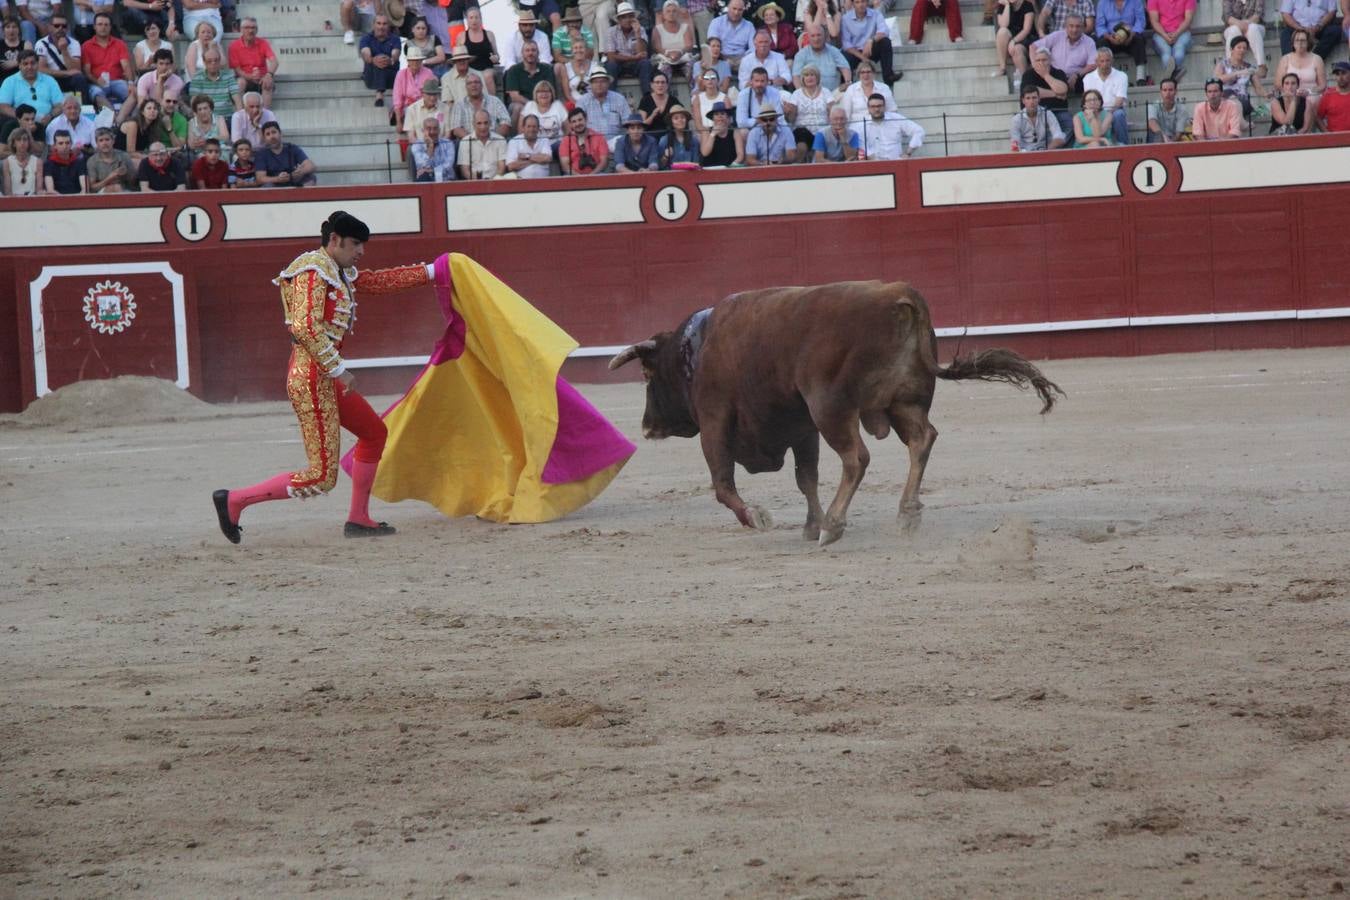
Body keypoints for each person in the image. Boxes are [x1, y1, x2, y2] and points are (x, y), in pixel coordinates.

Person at [212, 211, 435, 544]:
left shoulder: (336, 271)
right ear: (335, 240)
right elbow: (303, 327)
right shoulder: (313, 272)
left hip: (324, 376)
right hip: (313, 378)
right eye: (356, 244)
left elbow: (375, 281)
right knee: (320, 476)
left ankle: (359, 518)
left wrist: (432, 271)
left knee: (374, 433)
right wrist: (338, 369)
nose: (361, 251)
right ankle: (234, 500)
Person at [81, 12, 132, 115]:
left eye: (106, 25)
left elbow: (126, 66)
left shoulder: (120, 44)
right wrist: (96, 81)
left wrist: (130, 83)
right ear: (94, 27)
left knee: (133, 93)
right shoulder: (86, 46)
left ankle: (133, 121)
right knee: (97, 95)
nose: (103, 27)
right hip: (97, 82)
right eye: (100, 24)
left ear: (110, 27)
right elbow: (87, 72)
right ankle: (113, 119)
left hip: (117, 81)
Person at [1032, 13, 1095, 91]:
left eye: (1078, 26)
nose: (1074, 30)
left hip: (1077, 77)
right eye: (1071, 26)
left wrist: (1077, 75)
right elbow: (1033, 46)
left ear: (1083, 28)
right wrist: (1036, 67)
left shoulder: (1089, 42)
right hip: (1055, 75)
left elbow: (1092, 64)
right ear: (1065, 26)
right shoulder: (1057, 36)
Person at [33, 13, 87, 101]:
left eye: (64, 26)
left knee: (80, 78)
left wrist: (64, 50)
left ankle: (83, 107)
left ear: (67, 28)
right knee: (42, 79)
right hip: (51, 79)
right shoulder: (41, 43)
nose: (60, 28)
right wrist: (66, 73)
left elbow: (76, 69)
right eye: (56, 26)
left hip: (69, 80)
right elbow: (41, 69)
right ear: (50, 27)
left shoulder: (74, 43)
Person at [841, 0, 897, 84]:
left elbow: (884, 31)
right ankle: (847, 84)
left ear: (867, 3)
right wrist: (862, 57)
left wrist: (871, 40)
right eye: (857, 2)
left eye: (863, 1)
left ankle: (888, 76)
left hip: (871, 49)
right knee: (844, 55)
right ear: (853, 4)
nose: (861, 5)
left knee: (885, 42)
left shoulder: (876, 14)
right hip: (855, 53)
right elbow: (846, 44)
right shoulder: (846, 18)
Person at [1095, 0, 1148, 86]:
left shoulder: (1136, 1)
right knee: (1101, 42)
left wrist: (1131, 35)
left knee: (1139, 39)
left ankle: (1141, 78)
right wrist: (1109, 37)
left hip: (1130, 36)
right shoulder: (1103, 3)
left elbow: (1140, 21)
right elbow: (1100, 26)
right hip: (1111, 38)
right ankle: (1107, 76)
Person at [0, 50, 61, 126]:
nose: (30, 67)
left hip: (47, 123)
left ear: (37, 64)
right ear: (19, 65)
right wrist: (22, 117)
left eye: (33, 63)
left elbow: (60, 105)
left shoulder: (50, 80)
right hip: (20, 125)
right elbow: (3, 107)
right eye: (25, 64)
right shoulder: (10, 81)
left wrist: (50, 116)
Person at [228, 17, 277, 108]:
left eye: (253, 28)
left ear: (257, 30)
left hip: (261, 78)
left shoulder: (263, 43)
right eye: (247, 28)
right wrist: (250, 77)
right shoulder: (234, 46)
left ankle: (265, 116)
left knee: (268, 82)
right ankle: (241, 114)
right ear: (241, 30)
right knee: (239, 83)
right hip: (244, 78)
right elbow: (237, 70)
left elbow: (274, 61)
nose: (250, 30)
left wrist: (269, 75)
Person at [1082, 46, 1128, 143]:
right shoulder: (1088, 78)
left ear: (1112, 61)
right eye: (1102, 61)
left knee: (1119, 115)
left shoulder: (1122, 76)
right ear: (1096, 62)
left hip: (1114, 110)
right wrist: (1098, 114)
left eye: (1107, 61)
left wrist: (1107, 116)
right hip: (1095, 110)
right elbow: (1089, 101)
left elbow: (1119, 101)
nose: (1105, 64)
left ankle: (1124, 146)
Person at [503, 36, 554, 123]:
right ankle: (517, 136)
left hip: (543, 102)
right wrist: (532, 105)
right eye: (527, 50)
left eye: (533, 50)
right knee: (518, 108)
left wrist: (540, 104)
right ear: (522, 53)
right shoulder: (513, 70)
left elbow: (550, 91)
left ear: (538, 53)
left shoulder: (546, 69)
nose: (530, 53)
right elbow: (514, 96)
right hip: (521, 103)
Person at [603, 1, 651, 93]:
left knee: (645, 63)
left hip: (635, 64)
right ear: (619, 20)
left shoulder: (640, 29)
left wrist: (637, 33)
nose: (628, 19)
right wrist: (633, 57)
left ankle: (647, 97)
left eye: (630, 16)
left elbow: (643, 53)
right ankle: (610, 96)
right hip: (619, 64)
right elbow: (611, 56)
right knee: (610, 65)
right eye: (624, 17)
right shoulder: (611, 31)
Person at [784, 62, 830, 158]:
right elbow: (791, 120)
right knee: (802, 142)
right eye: (806, 75)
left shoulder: (826, 92)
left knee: (825, 136)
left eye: (812, 75)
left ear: (817, 77)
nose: (809, 78)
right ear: (803, 78)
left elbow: (832, 111)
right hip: (802, 131)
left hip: (822, 131)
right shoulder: (797, 94)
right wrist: (788, 112)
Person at [1215, 34, 1267, 117]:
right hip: (1224, 98)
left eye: (1244, 48)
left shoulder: (1249, 68)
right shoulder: (1222, 64)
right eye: (1239, 47)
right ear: (1231, 49)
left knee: (1235, 103)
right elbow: (1218, 80)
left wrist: (1266, 94)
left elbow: (1259, 88)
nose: (1242, 50)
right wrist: (1237, 73)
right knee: (1231, 100)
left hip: (1242, 100)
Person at [448, 70, 511, 137]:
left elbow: (506, 122)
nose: (473, 85)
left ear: (482, 85)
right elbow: (456, 129)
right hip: (469, 143)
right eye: (470, 83)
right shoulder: (459, 105)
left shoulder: (495, 101)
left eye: (476, 82)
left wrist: (494, 138)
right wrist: (473, 141)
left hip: (494, 141)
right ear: (466, 87)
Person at [860, 92, 923, 158]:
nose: (876, 109)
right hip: (874, 165)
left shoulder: (896, 119)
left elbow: (919, 131)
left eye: (879, 106)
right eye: (873, 106)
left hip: (897, 163)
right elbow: (860, 145)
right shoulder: (862, 125)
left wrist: (908, 153)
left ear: (884, 106)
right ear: (868, 108)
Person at [255, 120, 317, 186]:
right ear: (264, 139)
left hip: (292, 181)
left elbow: (311, 165)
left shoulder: (292, 148)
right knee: (267, 185)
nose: (272, 136)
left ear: (280, 133)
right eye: (268, 134)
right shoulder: (261, 154)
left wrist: (300, 172)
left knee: (311, 177)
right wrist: (278, 179)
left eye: (274, 132)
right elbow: (260, 179)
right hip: (274, 185)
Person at [1273, 27, 1324, 108]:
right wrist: (1293, 92)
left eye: (1303, 40)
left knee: (1311, 101)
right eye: (1297, 40)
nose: (1300, 43)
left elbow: (1322, 85)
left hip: (1311, 95)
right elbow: (1278, 84)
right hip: (1290, 95)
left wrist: (1308, 91)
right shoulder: (1285, 59)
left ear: (1308, 42)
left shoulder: (1317, 59)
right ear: (1293, 43)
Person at [576, 65, 631, 137]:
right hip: (591, 142)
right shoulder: (582, 101)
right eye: (595, 82)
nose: (599, 84)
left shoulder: (619, 99)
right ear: (590, 85)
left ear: (608, 83)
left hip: (615, 141)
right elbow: (578, 126)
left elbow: (628, 123)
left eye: (602, 81)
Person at [1147, 0, 1195, 81]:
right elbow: (1154, 21)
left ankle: (1169, 80)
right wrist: (1164, 35)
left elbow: (1188, 19)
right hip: (1161, 33)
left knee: (1178, 52)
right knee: (1166, 52)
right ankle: (1175, 76)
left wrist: (1176, 33)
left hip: (1182, 32)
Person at [992, 0, 1039, 85]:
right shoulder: (1002, 6)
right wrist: (1006, 5)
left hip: (1026, 38)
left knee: (1017, 49)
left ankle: (1025, 80)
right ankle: (1002, 68)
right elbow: (1003, 25)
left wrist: (1013, 41)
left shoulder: (1027, 5)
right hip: (1011, 37)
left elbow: (1026, 30)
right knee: (1002, 32)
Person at [360, 14, 400, 110]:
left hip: (390, 76)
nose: (381, 27)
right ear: (373, 25)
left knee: (382, 61)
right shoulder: (366, 38)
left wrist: (390, 60)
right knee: (377, 61)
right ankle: (379, 93)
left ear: (388, 26)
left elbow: (396, 54)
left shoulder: (395, 39)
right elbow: (365, 54)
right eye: (378, 23)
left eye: (384, 24)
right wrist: (373, 60)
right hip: (372, 75)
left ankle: (379, 94)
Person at [1010, 80, 1066, 148]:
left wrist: (1047, 150)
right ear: (1023, 101)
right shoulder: (1016, 119)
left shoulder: (1047, 113)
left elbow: (1059, 137)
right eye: (1028, 98)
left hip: (1046, 151)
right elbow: (1015, 142)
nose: (1032, 101)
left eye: (1034, 98)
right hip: (1025, 153)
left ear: (1039, 99)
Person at [392, 43, 436, 131]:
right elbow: (397, 100)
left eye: (418, 60)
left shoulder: (428, 73)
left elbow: (432, 93)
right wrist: (398, 122)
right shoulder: (401, 74)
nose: (415, 62)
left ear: (421, 61)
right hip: (408, 108)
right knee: (409, 111)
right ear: (408, 61)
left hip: (425, 106)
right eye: (412, 60)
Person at [793, 23, 850, 90]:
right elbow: (796, 76)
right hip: (809, 94)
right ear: (808, 38)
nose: (816, 39)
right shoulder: (801, 54)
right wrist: (802, 93)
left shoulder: (834, 52)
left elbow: (845, 68)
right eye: (813, 36)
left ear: (825, 36)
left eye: (819, 35)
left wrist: (847, 83)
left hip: (833, 94)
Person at [651, 0, 695, 83]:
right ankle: (665, 93)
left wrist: (680, 52)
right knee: (664, 69)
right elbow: (657, 47)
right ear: (663, 14)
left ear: (678, 13)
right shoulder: (657, 29)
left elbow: (689, 45)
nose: (671, 14)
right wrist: (669, 54)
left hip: (682, 58)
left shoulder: (685, 27)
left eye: (674, 11)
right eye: (668, 11)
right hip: (665, 58)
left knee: (691, 67)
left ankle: (693, 93)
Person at [457, 107, 507, 178]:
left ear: (490, 123)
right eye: (479, 123)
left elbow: (501, 168)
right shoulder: (465, 142)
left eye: (486, 123)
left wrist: (493, 183)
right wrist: (479, 183)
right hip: (474, 184)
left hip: (496, 183)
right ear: (473, 124)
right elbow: (465, 171)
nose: (483, 127)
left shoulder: (500, 140)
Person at [460, 6, 499, 96]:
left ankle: (492, 105)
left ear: (481, 19)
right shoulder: (461, 36)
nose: (474, 20)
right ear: (467, 20)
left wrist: (495, 58)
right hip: (470, 69)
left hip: (487, 68)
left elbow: (497, 55)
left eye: (476, 17)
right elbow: (459, 57)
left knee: (487, 76)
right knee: (470, 78)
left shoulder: (489, 34)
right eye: (471, 18)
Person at [559, 105, 610, 173]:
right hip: (574, 177)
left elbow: (604, 162)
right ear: (570, 124)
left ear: (586, 119)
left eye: (580, 120)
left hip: (596, 175)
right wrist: (580, 178)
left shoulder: (599, 137)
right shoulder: (566, 140)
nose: (578, 124)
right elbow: (565, 166)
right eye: (574, 121)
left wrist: (590, 176)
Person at [189, 43, 238, 113]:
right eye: (209, 61)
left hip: (227, 117)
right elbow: (194, 102)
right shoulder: (197, 77)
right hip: (207, 119)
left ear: (219, 60)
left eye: (216, 60)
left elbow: (237, 99)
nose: (213, 63)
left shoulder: (228, 76)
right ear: (204, 62)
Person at [84, 124, 134, 191]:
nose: (104, 143)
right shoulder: (92, 161)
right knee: (115, 188)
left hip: (124, 191)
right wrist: (110, 178)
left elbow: (133, 182)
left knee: (117, 187)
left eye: (107, 139)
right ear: (97, 143)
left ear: (113, 141)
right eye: (101, 140)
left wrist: (126, 174)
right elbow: (92, 187)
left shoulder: (124, 156)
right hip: (102, 194)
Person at [117, 95, 165, 161]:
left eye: (155, 108)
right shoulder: (133, 124)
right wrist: (149, 157)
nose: (152, 111)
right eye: (149, 108)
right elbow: (130, 152)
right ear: (142, 112)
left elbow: (153, 149)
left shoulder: (153, 127)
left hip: (136, 156)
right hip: (121, 157)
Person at [708, 0, 755, 65]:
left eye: (740, 10)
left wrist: (744, 59)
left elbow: (754, 48)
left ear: (743, 10)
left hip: (743, 58)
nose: (736, 12)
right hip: (721, 58)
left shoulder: (749, 26)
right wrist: (723, 59)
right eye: (734, 8)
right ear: (728, 8)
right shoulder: (716, 22)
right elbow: (712, 45)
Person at [1223, 0, 1266, 70]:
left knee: (1253, 28)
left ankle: (1261, 66)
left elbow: (1258, 15)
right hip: (1233, 26)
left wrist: (1246, 24)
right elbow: (1227, 17)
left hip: (1255, 26)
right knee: (1234, 29)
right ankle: (1230, 66)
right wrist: (1240, 25)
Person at [506, 111, 552, 177]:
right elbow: (511, 166)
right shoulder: (514, 141)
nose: (531, 129)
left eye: (534, 126)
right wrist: (537, 160)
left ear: (538, 128)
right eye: (529, 126)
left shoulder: (544, 140)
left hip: (543, 182)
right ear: (523, 128)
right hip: (521, 183)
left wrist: (527, 157)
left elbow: (547, 158)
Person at [410, 114, 456, 179]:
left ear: (439, 130)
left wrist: (433, 171)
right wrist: (430, 147)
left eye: (435, 129)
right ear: (423, 131)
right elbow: (423, 166)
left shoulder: (448, 143)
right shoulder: (417, 145)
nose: (432, 132)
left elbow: (448, 165)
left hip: (446, 179)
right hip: (427, 180)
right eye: (429, 129)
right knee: (424, 176)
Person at [404, 75, 448, 140]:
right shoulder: (412, 109)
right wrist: (421, 147)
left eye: (435, 94)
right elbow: (411, 136)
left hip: (441, 146)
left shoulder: (445, 108)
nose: (432, 98)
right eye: (429, 94)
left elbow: (448, 134)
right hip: (420, 146)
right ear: (423, 94)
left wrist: (439, 146)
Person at [699, 99, 742, 164]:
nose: (720, 116)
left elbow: (740, 155)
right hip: (710, 169)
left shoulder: (735, 132)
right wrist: (713, 134)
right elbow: (705, 153)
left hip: (729, 168)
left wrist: (733, 164)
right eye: (716, 114)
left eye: (722, 113)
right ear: (713, 118)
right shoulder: (706, 131)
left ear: (727, 116)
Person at [185, 92, 227, 159]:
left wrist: (207, 140)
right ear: (196, 112)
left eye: (205, 108)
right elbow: (191, 145)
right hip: (201, 153)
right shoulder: (192, 122)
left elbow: (225, 137)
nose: (203, 112)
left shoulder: (219, 119)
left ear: (211, 109)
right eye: (199, 109)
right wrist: (196, 143)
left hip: (219, 151)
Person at [2, 126, 41, 194]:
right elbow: (7, 191)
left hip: (33, 201)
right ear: (13, 143)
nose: (22, 143)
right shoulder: (7, 162)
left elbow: (39, 190)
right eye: (18, 140)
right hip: (13, 201)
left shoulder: (37, 162)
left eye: (25, 139)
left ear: (29, 142)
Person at [1146, 75, 1185, 139]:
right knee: (1155, 135)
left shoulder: (1182, 108)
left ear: (1176, 91)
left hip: (1175, 140)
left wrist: (1170, 143)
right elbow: (1151, 123)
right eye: (1164, 90)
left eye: (1170, 90)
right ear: (1160, 92)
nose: (1167, 93)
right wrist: (1164, 137)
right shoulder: (1153, 106)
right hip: (1158, 138)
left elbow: (1179, 133)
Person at [638, 69, 676, 134]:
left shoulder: (673, 100)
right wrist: (652, 115)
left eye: (663, 82)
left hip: (669, 136)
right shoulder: (645, 100)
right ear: (652, 85)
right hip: (650, 135)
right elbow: (642, 125)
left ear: (667, 85)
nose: (660, 85)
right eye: (657, 82)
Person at [1316, 58, 1350, 129]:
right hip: (1334, 138)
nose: (1340, 77)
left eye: (1343, 73)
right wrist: (1326, 134)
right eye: (1337, 74)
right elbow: (1318, 117)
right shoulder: (1328, 95)